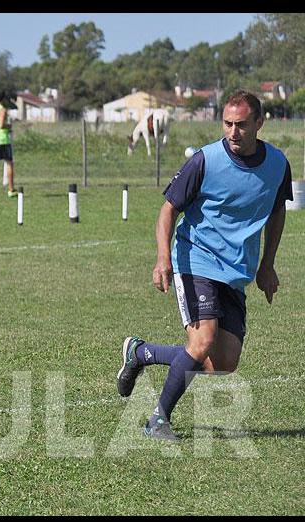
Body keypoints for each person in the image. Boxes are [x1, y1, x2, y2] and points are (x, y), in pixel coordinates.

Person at [117, 90, 293, 441]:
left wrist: (267, 265)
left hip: (236, 269)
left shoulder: (277, 164)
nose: (233, 131)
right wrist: (163, 257)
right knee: (202, 341)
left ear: (259, 123)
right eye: (227, 123)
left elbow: (276, 212)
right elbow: (169, 209)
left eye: (241, 124)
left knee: (224, 362)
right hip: (196, 258)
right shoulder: (205, 160)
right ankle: (158, 421)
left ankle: (142, 352)